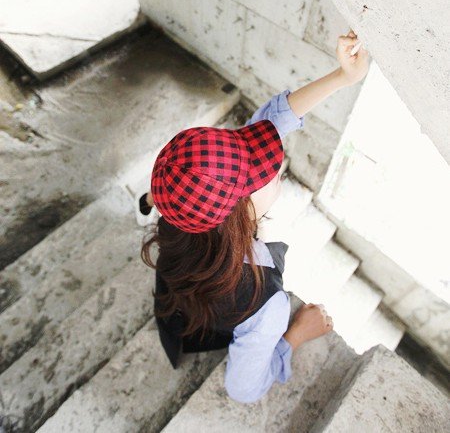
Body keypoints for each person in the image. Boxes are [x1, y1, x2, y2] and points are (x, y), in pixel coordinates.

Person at [140, 30, 370, 403]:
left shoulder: (179, 205)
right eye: (269, 175)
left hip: (178, 299)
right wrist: (294, 335)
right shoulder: (265, 305)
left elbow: (268, 123)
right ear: (239, 213)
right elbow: (242, 389)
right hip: (207, 324)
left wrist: (342, 76)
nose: (277, 164)